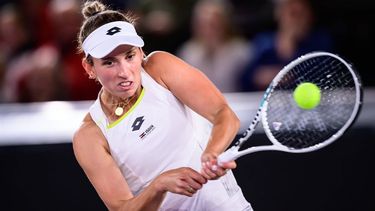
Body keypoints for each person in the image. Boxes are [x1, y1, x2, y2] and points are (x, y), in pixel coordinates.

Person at [72, 1, 252, 211]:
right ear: (89, 67)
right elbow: (121, 208)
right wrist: (159, 185)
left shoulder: (160, 68)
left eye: (130, 56)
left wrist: (211, 154)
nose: (124, 72)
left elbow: (224, 114)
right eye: (109, 62)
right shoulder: (89, 136)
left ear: (141, 52)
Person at [240, 0, 333, 91]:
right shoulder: (263, 42)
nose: (296, 20)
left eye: (300, 14)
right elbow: (246, 79)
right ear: (278, 14)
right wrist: (259, 77)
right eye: (292, 14)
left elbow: (323, 76)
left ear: (310, 16)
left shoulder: (320, 42)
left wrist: (289, 49)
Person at [177, 0, 252, 93]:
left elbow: (248, 85)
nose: (207, 30)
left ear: (225, 23)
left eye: (213, 25)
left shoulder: (240, 50)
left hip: (235, 103)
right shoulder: (188, 51)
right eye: (202, 25)